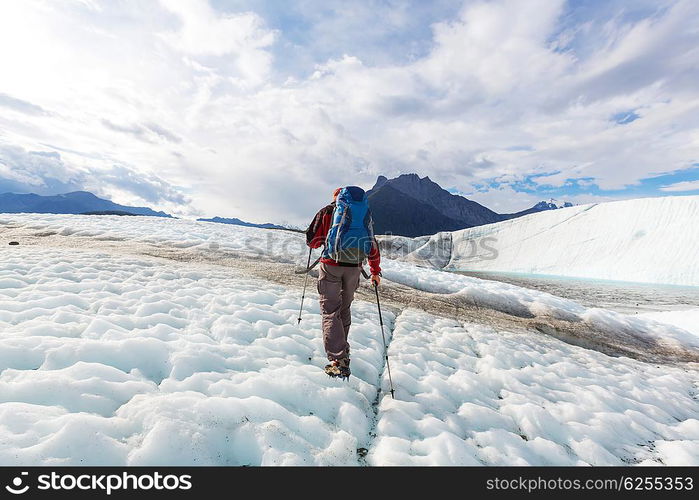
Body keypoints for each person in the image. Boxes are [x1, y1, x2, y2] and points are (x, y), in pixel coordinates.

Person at [305, 186, 381, 379]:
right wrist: (375, 271)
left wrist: (323, 241)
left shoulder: (328, 211)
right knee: (344, 309)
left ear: (336, 198)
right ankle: (342, 352)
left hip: (331, 265)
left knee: (330, 310)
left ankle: (338, 360)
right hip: (354, 267)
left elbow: (312, 241)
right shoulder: (364, 213)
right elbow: (371, 242)